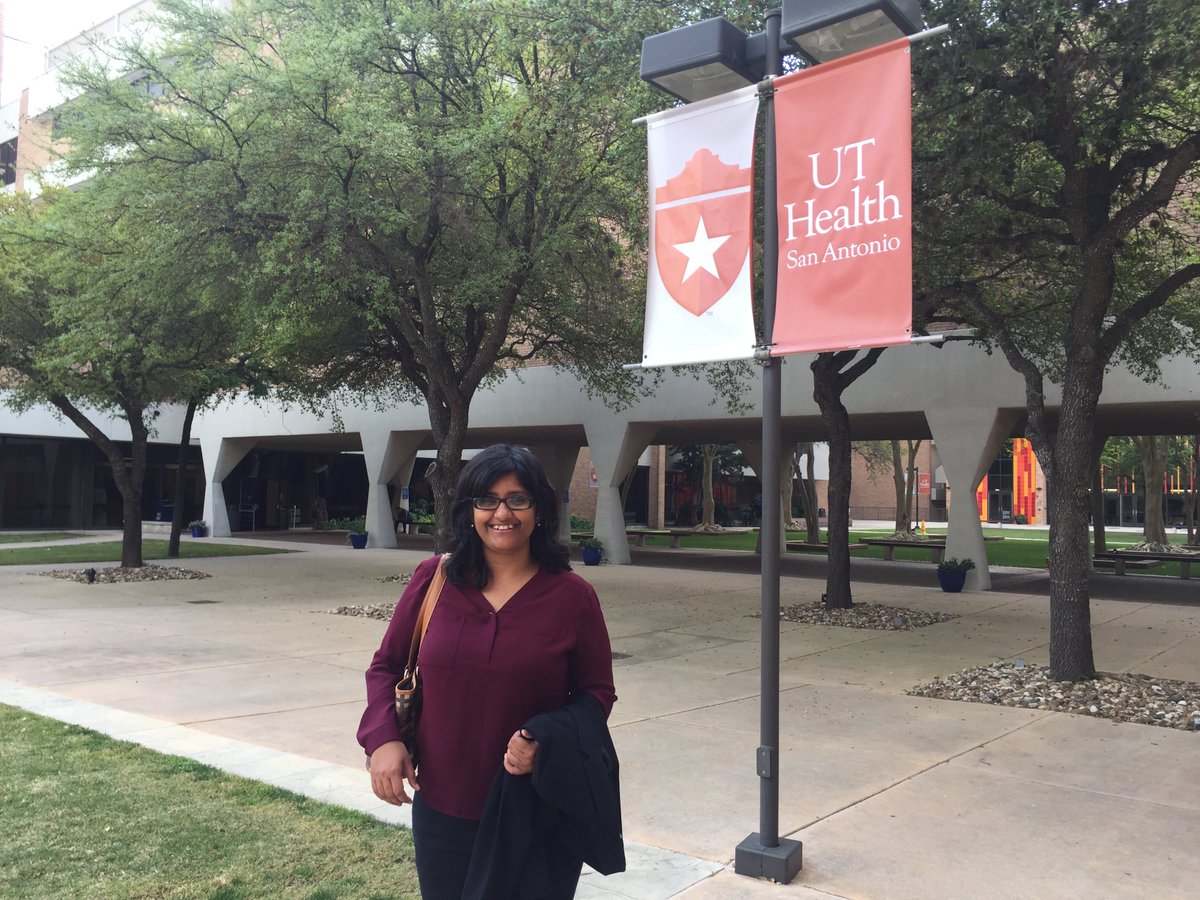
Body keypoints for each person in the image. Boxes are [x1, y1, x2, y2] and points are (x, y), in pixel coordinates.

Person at [358, 444, 619, 899]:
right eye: (487, 499)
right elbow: (386, 665)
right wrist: (384, 738)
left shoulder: (572, 597)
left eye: (518, 499)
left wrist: (546, 740)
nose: (503, 513)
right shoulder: (433, 580)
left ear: (539, 509)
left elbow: (596, 693)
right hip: (445, 807)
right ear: (469, 509)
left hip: (537, 807)